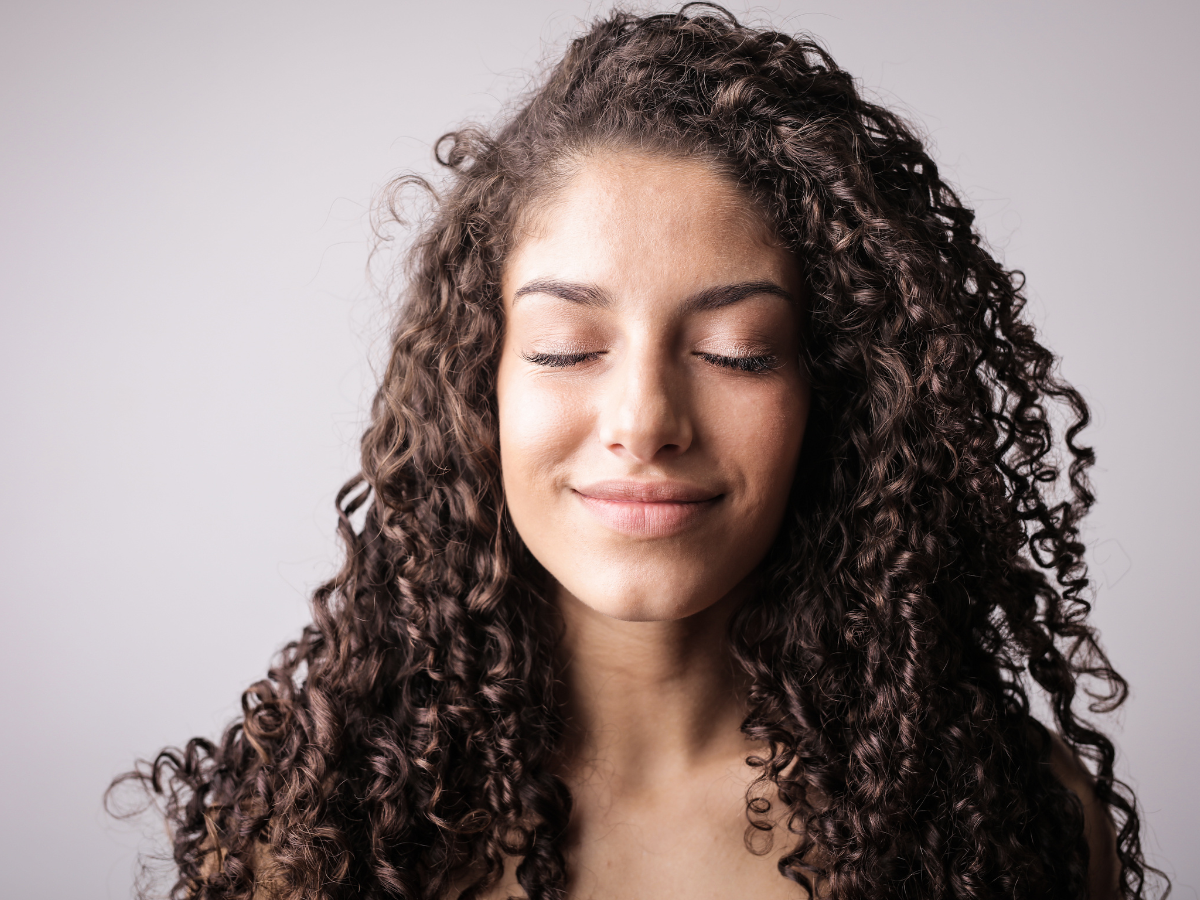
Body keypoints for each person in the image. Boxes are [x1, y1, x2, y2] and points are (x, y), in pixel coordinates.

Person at [113, 6, 1164, 899]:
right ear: (474, 389)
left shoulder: (1005, 823)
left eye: (734, 353)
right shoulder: (319, 828)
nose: (644, 419)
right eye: (569, 348)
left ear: (833, 397)